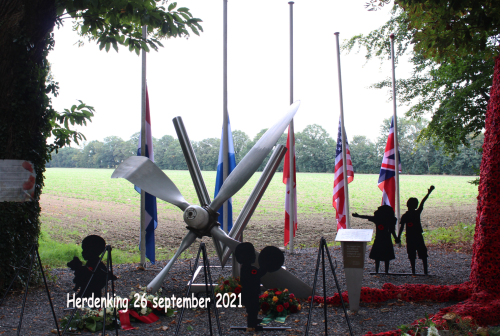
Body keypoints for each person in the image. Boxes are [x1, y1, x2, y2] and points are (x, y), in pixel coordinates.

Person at [235, 243, 283, 331]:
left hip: (249, 293)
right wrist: (265, 267)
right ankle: (252, 324)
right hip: (251, 294)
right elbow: (257, 274)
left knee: (253, 309)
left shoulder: (245, 268)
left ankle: (253, 321)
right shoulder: (249, 269)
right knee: (252, 309)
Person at [398, 185, 435, 275]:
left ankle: (413, 272)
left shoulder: (405, 215)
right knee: (423, 254)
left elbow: (402, 227)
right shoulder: (417, 213)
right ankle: (425, 271)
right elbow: (423, 202)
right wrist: (428, 193)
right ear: (416, 205)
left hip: (410, 237)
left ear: (407, 205)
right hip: (418, 236)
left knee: (411, 254)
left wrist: (398, 237)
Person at [353, 205, 398, 274]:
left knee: (377, 256)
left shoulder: (377, 218)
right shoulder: (391, 219)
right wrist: (396, 238)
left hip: (379, 239)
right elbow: (392, 230)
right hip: (387, 239)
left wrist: (358, 216)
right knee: (387, 256)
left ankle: (377, 270)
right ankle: (386, 271)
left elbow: (367, 217)